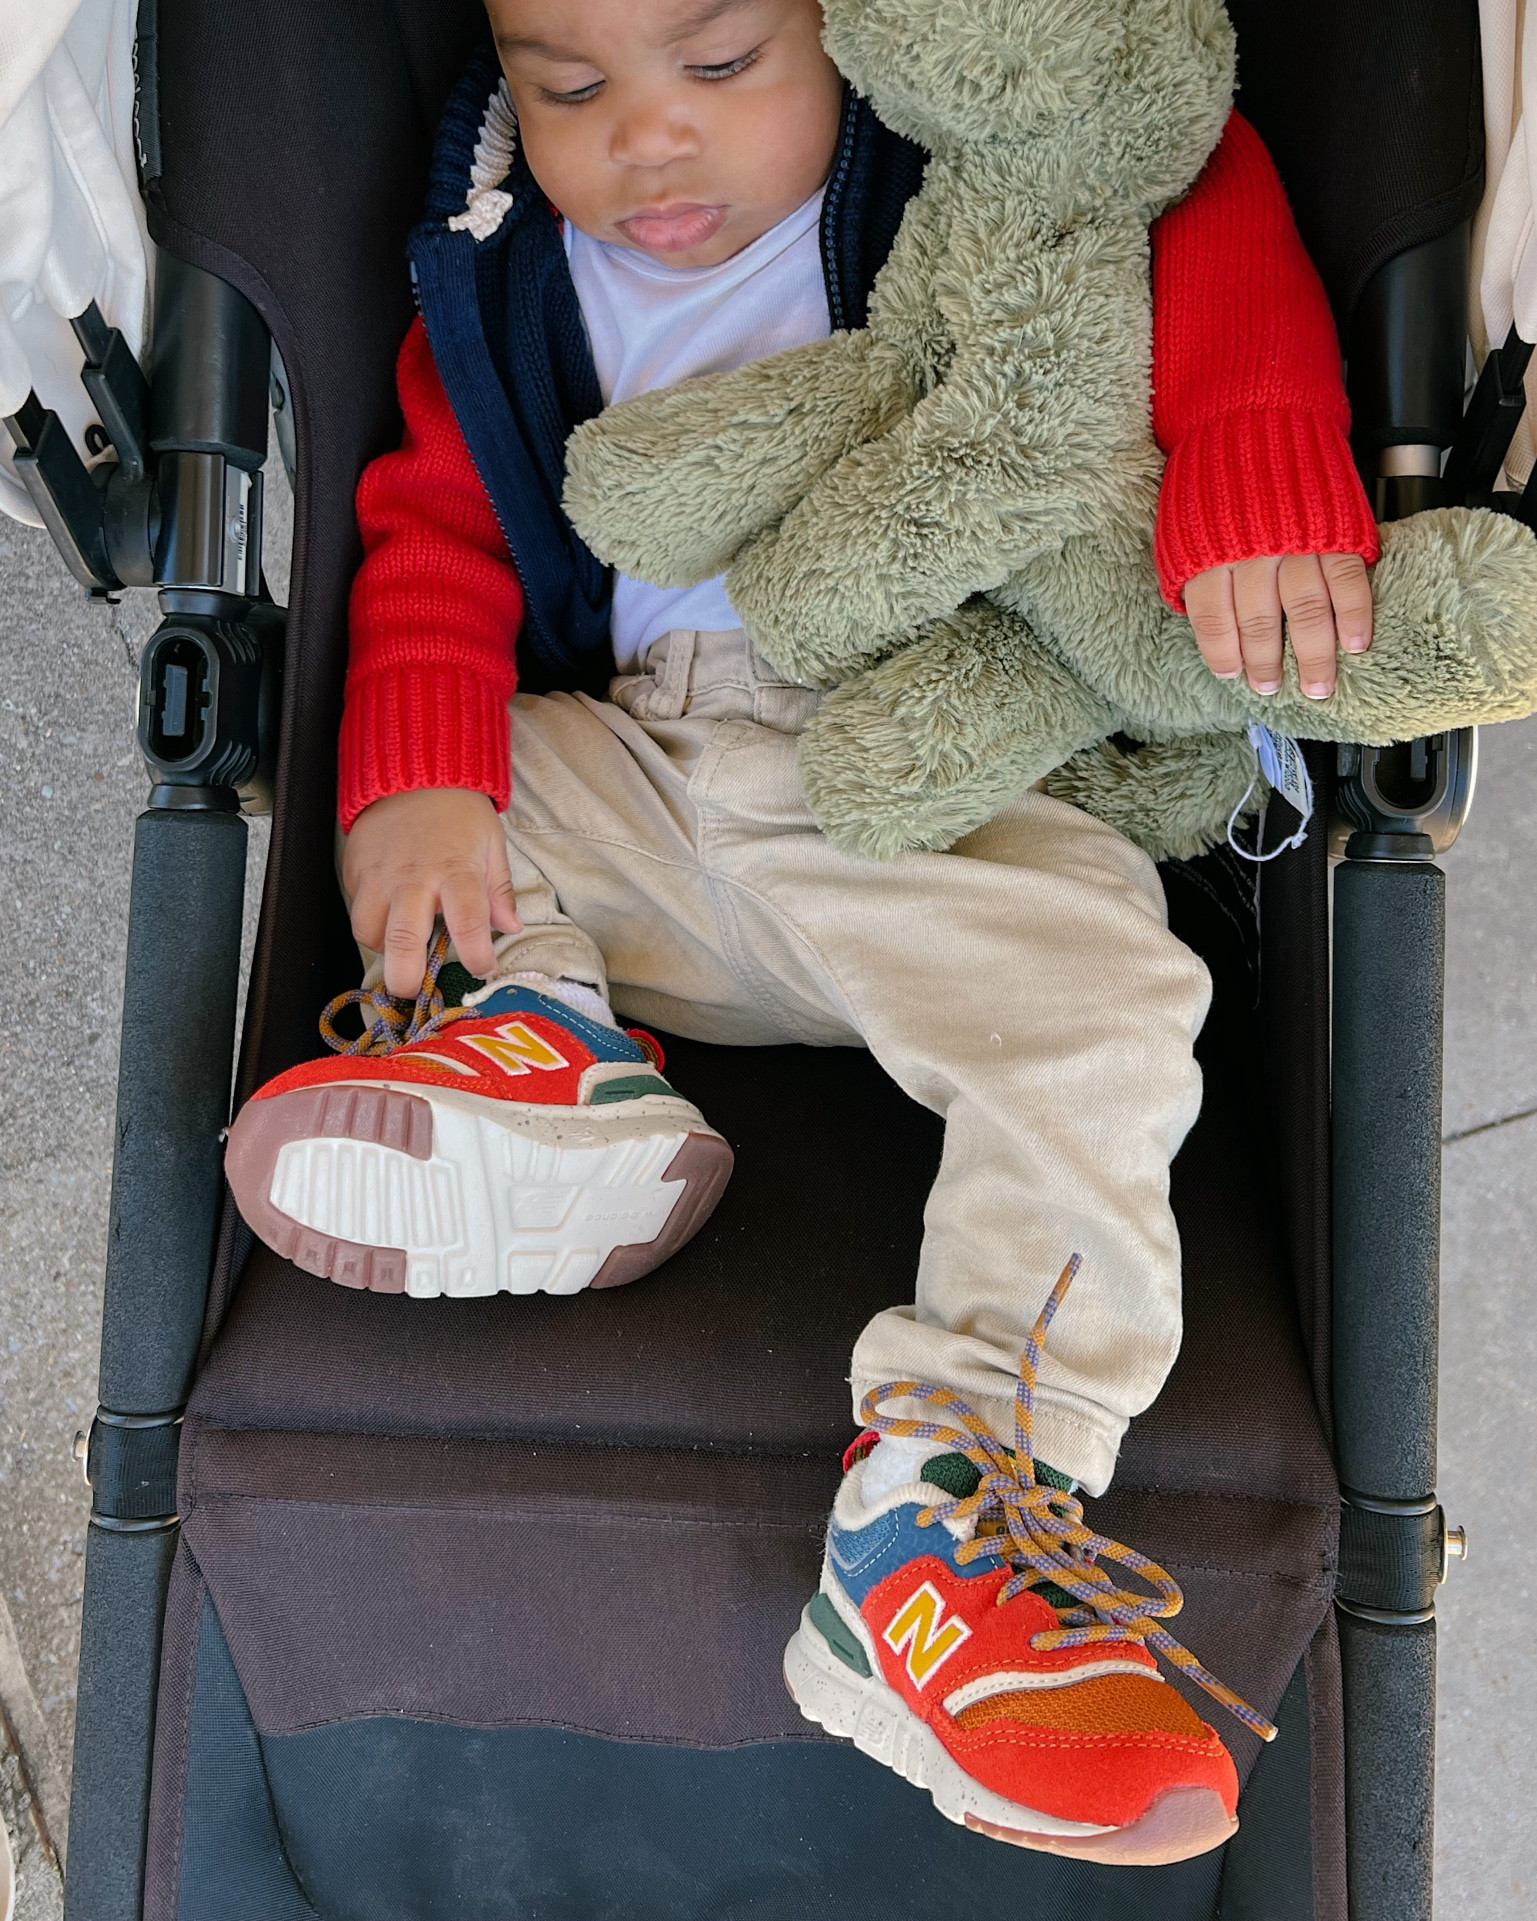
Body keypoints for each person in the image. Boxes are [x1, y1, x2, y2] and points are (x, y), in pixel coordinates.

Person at [224, 0, 1379, 1863]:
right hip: (653, 773)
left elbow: (1175, 172)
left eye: (718, 65)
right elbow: (428, 530)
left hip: (923, 797)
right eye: (568, 87)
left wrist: (1257, 441)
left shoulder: (934, 157)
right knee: (442, 796)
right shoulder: (510, 258)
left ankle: (946, 1509)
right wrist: (421, 774)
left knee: (1099, 1000)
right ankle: (541, 1053)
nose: (645, 144)